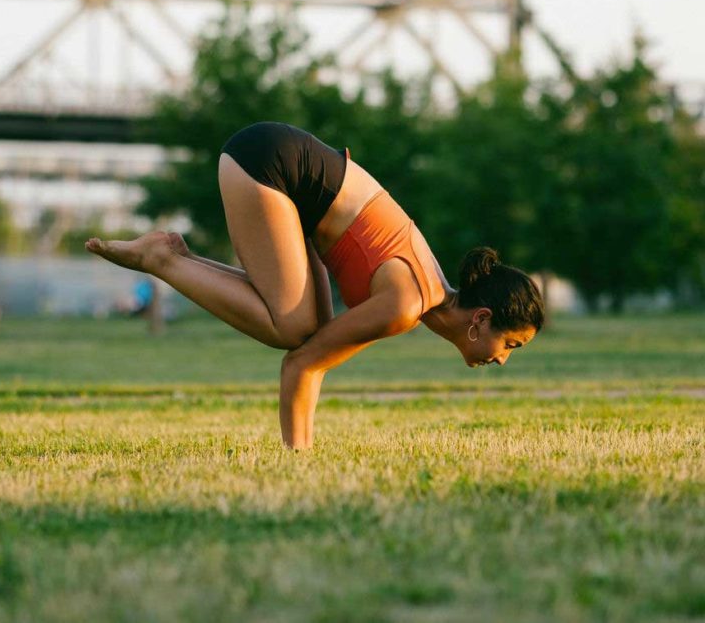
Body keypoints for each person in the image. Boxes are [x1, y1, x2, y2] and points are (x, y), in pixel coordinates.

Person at [86, 122, 544, 449]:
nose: (502, 358)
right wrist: (298, 461)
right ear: (481, 320)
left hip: (282, 170)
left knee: (305, 326)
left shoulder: (425, 292)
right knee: (295, 334)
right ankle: (163, 258)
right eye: (511, 344)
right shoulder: (406, 304)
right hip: (268, 166)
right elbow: (303, 366)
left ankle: (172, 257)